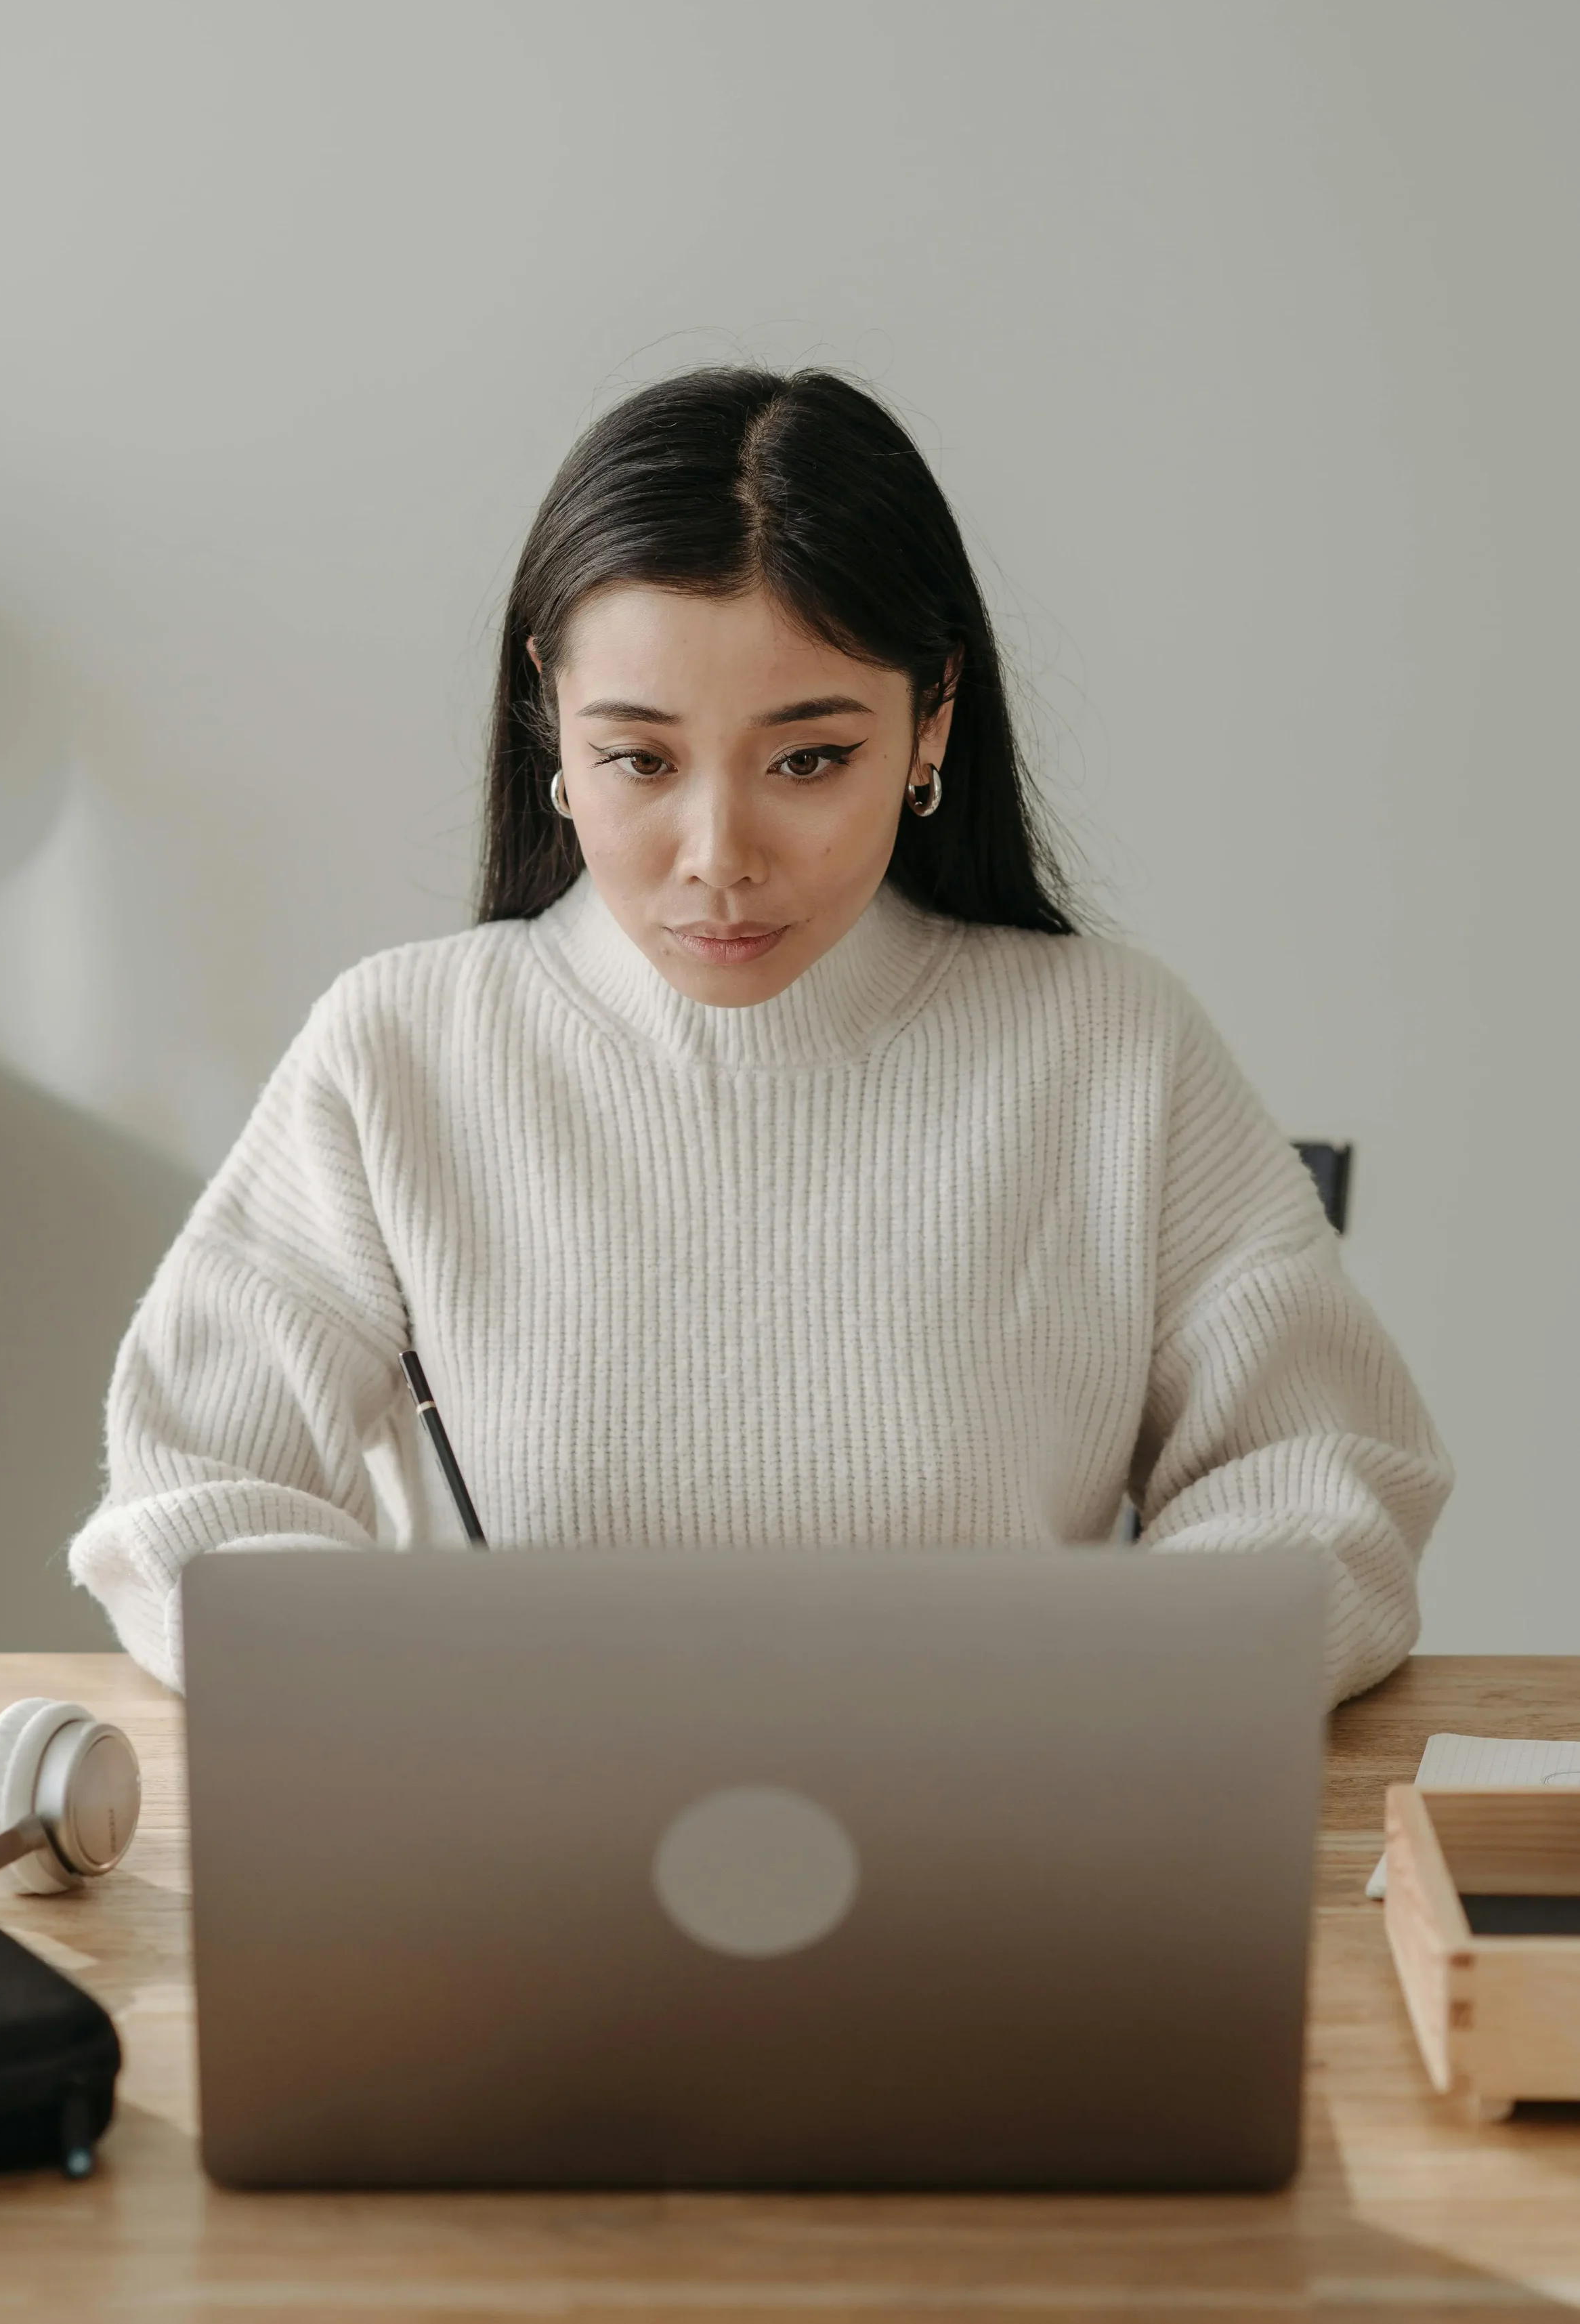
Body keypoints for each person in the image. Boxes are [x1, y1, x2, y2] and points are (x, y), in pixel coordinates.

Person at [70, 368, 1451, 1700]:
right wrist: (429, 1696)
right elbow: (189, 1497)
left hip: (1003, 1868)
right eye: (639, 760)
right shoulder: (399, 1052)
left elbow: (1326, 1487)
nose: (718, 856)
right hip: (522, 1885)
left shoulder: (1111, 1049)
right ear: (550, 723)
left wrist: (1081, 1698)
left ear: (931, 725)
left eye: (808, 759)